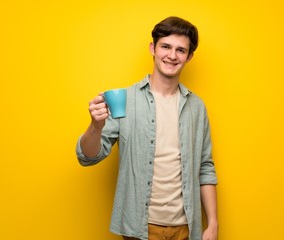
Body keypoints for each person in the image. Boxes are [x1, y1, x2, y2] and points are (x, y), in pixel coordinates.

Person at [76, 16, 218, 240]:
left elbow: (205, 167)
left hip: (186, 228)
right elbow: (88, 157)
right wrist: (95, 126)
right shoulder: (124, 100)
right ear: (153, 48)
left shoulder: (196, 107)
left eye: (181, 50)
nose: (172, 56)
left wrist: (212, 224)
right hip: (139, 227)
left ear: (189, 56)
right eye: (166, 46)